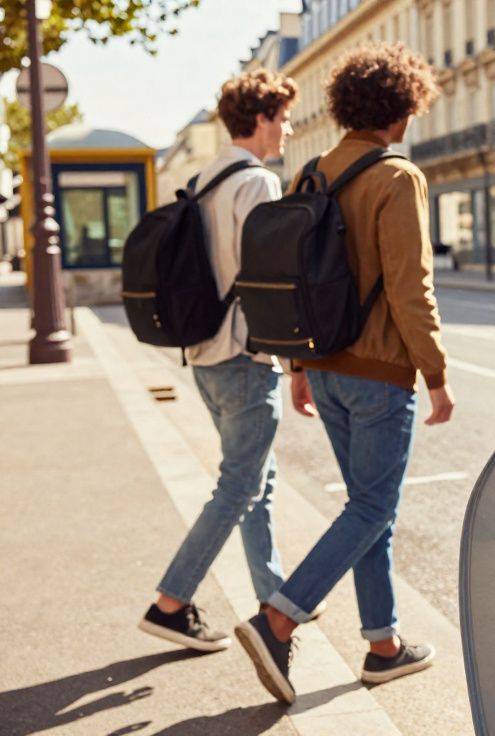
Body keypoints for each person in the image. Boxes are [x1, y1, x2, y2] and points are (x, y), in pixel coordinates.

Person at [234, 42, 453, 704]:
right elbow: (411, 289)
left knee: (368, 509)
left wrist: (299, 366)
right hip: (380, 371)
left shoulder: (312, 175)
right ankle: (280, 617)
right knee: (371, 506)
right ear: (404, 105)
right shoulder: (397, 176)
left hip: (322, 366)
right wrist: (436, 374)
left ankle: (383, 644)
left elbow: (295, 280)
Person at [138, 70, 300, 651]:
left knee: (260, 480)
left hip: (205, 351)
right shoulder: (256, 183)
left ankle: (272, 596)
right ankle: (170, 603)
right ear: (259, 119)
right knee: (239, 486)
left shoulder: (204, 178)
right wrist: (289, 358)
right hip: (244, 356)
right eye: (281, 118)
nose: (287, 128)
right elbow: (267, 281)